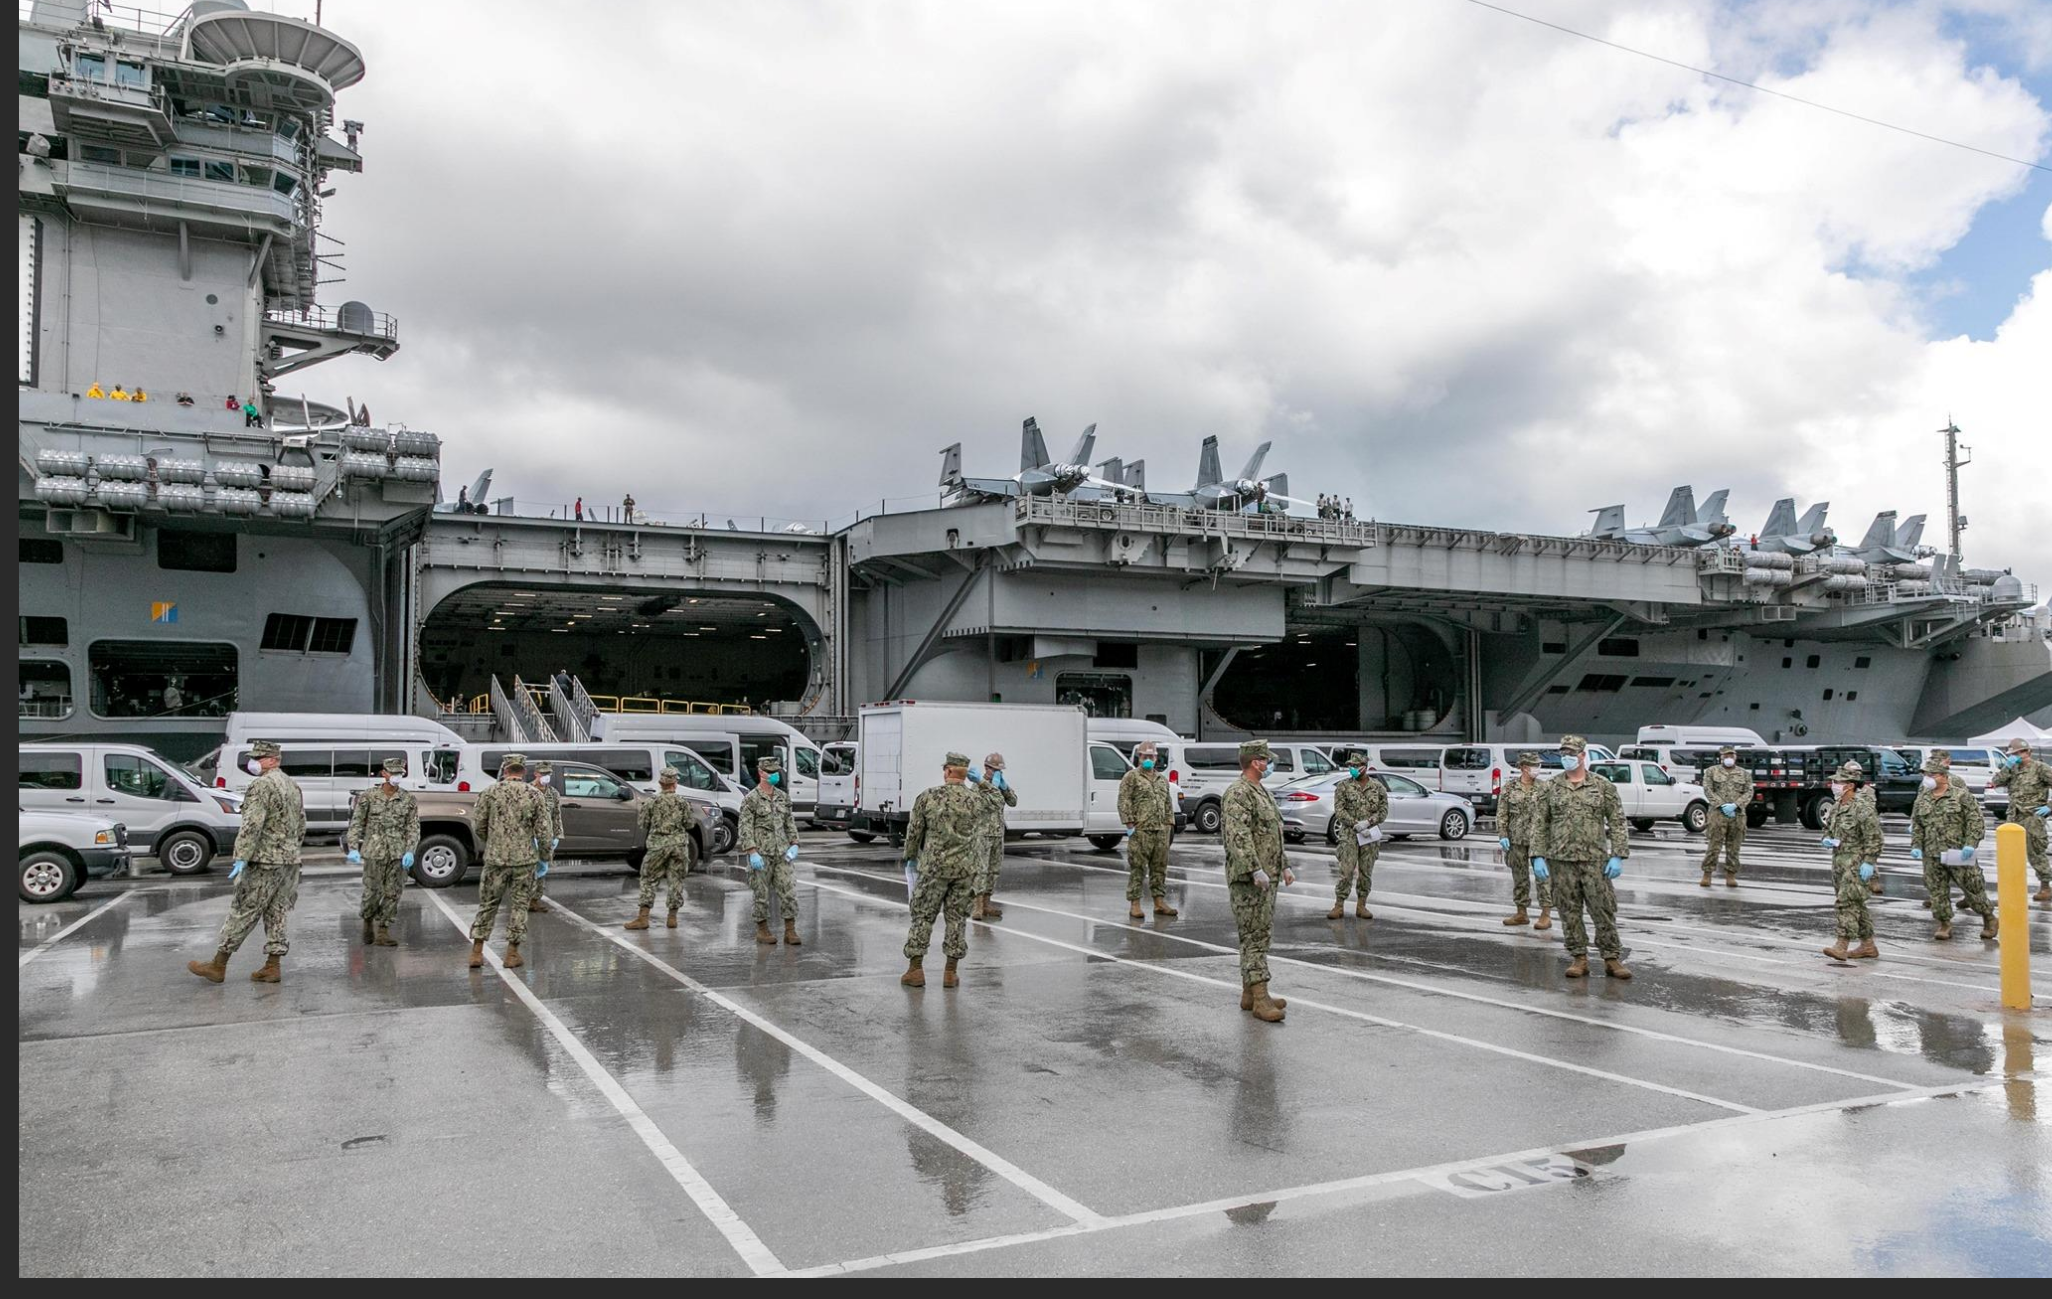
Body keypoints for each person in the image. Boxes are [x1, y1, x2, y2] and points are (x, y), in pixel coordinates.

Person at [186, 739, 305, 984]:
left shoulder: (262, 785)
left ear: (273, 760)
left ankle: (218, 964)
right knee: (277, 912)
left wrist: (241, 856)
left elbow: (252, 825)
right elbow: (301, 823)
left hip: (264, 860)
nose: (254, 762)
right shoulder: (292, 785)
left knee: (244, 910)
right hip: (289, 861)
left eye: (259, 758)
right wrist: (292, 850)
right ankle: (273, 965)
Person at [1531, 734, 1632, 980]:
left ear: (1583, 756)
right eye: (1563, 755)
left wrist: (1618, 854)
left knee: (1603, 909)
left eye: (1572, 754)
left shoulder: (1602, 786)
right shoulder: (1551, 787)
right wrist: (1537, 856)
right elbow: (1540, 823)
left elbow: (1617, 821)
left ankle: (1611, 958)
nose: (1567, 758)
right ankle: (1579, 958)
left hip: (1595, 860)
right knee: (1569, 911)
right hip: (1561, 860)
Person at [900, 753, 984, 989]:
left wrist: (910, 858)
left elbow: (914, 832)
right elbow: (996, 804)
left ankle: (915, 970)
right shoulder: (975, 800)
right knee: (957, 920)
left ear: (947, 771)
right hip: (965, 870)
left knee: (923, 917)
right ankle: (950, 973)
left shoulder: (928, 797)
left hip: (933, 869)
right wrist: (984, 783)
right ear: (966, 774)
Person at [1224, 740, 1292, 1021]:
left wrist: (1284, 866)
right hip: (1249, 880)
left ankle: (1250, 993)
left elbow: (1271, 832)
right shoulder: (1238, 793)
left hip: (1267, 876)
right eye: (1265, 760)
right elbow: (1238, 835)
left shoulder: (1260, 792)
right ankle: (1260, 998)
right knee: (1255, 937)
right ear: (1256, 762)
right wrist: (1254, 869)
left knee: (1258, 933)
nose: (1269, 764)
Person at [467, 753, 546, 969]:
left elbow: (478, 825)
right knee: (519, 905)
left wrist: (493, 841)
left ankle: (477, 952)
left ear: (505, 770)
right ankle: (511, 954)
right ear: (524, 771)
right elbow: (544, 832)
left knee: (488, 904)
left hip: (495, 858)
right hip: (524, 860)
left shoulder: (490, 792)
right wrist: (544, 857)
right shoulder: (535, 795)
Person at [1910, 755, 1995, 941]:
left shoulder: (1961, 795)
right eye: (1925, 775)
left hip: (1957, 852)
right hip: (1932, 853)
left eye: (1930, 775)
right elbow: (1917, 824)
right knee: (1937, 890)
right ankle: (1944, 923)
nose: (1927, 779)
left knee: (1972, 887)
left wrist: (1970, 844)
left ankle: (1988, 917)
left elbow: (1975, 821)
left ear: (1942, 776)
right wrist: (1916, 845)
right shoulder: (1922, 799)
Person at [346, 755, 419, 947]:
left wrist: (410, 850)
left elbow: (413, 827)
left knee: (393, 893)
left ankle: (384, 930)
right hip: (374, 852)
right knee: (372, 892)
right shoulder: (369, 796)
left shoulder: (408, 799)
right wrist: (353, 847)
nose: (396, 777)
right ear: (384, 773)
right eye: (393, 773)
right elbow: (356, 824)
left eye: (400, 773)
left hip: (398, 853)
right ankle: (368, 921)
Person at [1818, 760, 1882, 961]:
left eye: (1838, 781)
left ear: (1850, 785)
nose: (1834, 785)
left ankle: (1842, 944)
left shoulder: (1862, 808)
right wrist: (1826, 840)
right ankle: (1868, 945)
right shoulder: (1837, 807)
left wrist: (1869, 862)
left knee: (1845, 903)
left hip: (1856, 862)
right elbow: (1827, 829)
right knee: (1856, 904)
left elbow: (1875, 838)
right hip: (1839, 862)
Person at [739, 755, 801, 945]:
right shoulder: (751, 799)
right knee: (761, 894)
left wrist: (795, 843)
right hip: (761, 854)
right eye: (770, 772)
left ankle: (790, 930)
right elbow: (745, 827)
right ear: (760, 773)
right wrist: (751, 851)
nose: (774, 775)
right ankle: (762, 930)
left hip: (782, 853)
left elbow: (789, 823)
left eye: (776, 772)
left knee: (789, 891)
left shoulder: (783, 798)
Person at [626, 766, 696, 930]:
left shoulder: (652, 802)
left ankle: (643, 918)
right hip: (678, 845)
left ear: (661, 783)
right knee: (676, 880)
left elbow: (642, 824)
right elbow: (690, 823)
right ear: (675, 784)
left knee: (648, 878)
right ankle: (672, 917)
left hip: (657, 845)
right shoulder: (683, 802)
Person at [1118, 741, 1178, 919]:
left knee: (1159, 868)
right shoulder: (1131, 777)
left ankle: (1159, 902)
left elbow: (1167, 803)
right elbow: (1124, 800)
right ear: (1139, 757)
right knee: (1138, 868)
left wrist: (1169, 825)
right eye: (1145, 756)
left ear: (1156, 757)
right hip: (1141, 831)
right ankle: (1135, 904)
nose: (1148, 760)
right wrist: (1129, 825)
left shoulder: (1161, 779)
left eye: (1151, 756)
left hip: (1160, 830)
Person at [1988, 737, 2052, 901]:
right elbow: (1995, 782)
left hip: (2032, 816)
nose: (2018, 755)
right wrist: (2007, 767)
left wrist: (2050, 807)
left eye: (2021, 752)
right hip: (2014, 816)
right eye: (2015, 753)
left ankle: (2046, 886)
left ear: (2028, 752)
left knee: (2035, 852)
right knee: (2011, 854)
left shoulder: (2040, 768)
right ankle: (2013, 885)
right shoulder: (2012, 769)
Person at [1327, 750, 1388, 920]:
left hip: (1369, 836)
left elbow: (1383, 810)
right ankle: (1339, 905)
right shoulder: (1343, 786)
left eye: (1356, 766)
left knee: (1365, 872)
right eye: (1351, 766)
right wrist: (1355, 824)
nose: (1352, 769)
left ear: (1364, 767)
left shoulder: (1377, 787)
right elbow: (1339, 810)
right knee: (1346, 871)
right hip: (1349, 835)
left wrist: (1369, 822)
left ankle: (1362, 905)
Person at [1497, 751, 1552, 929]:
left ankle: (1546, 914)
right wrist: (1503, 835)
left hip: (1539, 841)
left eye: (1538, 765)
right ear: (1523, 767)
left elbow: (1552, 814)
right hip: (1516, 840)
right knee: (1519, 877)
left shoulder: (1545, 788)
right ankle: (1521, 912)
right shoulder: (1510, 788)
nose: (1537, 769)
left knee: (1543, 878)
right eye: (1534, 765)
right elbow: (1502, 814)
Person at [966, 752, 1016, 920]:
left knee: (993, 870)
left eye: (998, 771)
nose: (996, 773)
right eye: (993, 770)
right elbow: (988, 803)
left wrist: (1004, 787)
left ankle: (987, 903)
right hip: (982, 834)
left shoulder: (999, 785)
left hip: (997, 834)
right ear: (986, 768)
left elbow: (1013, 801)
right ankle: (977, 906)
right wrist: (991, 787)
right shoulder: (977, 785)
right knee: (981, 870)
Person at [1699, 745, 1754, 887]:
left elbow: (1749, 792)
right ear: (1721, 757)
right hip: (1717, 814)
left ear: (1735, 757)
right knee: (1714, 846)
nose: (1729, 758)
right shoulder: (1711, 771)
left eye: (1731, 755)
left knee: (1734, 847)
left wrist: (1736, 805)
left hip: (1737, 814)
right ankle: (1707, 874)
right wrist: (1720, 804)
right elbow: (1707, 789)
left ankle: (1731, 875)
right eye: (1726, 755)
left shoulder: (1744, 774)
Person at [528, 760, 561, 913]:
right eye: (543, 773)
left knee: (543, 868)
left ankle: (535, 899)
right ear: (536, 773)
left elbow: (556, 815)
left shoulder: (553, 793)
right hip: (530, 836)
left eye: (548, 774)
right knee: (528, 868)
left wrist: (557, 835)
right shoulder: (527, 790)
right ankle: (524, 899)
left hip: (547, 836)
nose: (546, 776)